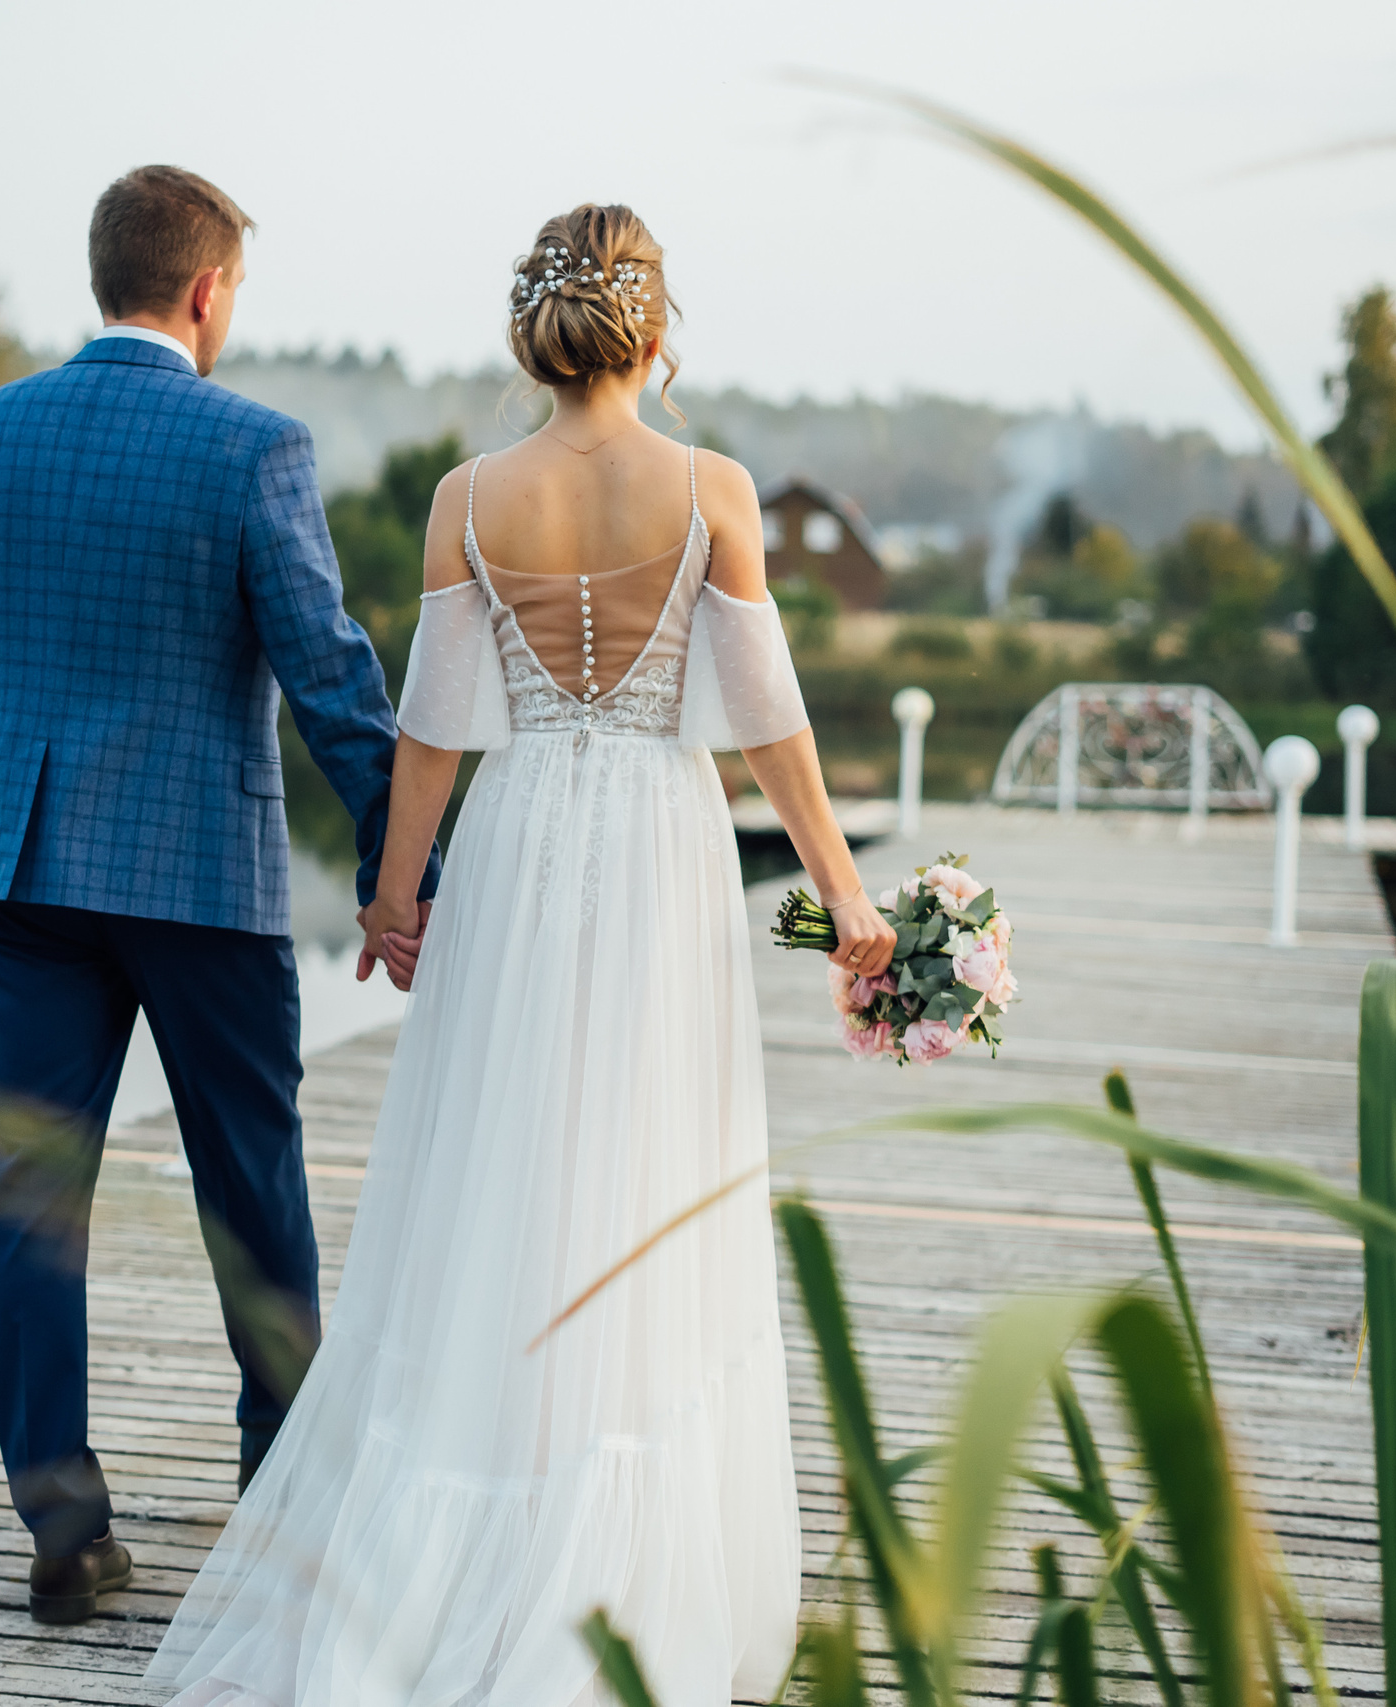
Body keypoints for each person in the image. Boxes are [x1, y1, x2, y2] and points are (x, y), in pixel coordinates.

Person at [147, 204, 895, 1707]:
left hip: (520, 834)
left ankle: (456, 1530)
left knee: (499, 1171)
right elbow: (769, 730)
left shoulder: (469, 497)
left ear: (532, 332)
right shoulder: (715, 490)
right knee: (645, 1165)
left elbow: (433, 733)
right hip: (659, 855)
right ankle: (621, 1565)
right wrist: (849, 902)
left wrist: (396, 900)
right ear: (655, 327)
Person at [0, 165, 439, 1627]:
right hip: (200, 869)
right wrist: (411, 869)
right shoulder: (255, 446)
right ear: (206, 291)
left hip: (17, 869)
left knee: (35, 1200)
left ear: (108, 278)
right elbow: (333, 677)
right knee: (250, 1186)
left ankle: (63, 1533)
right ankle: (283, 1495)